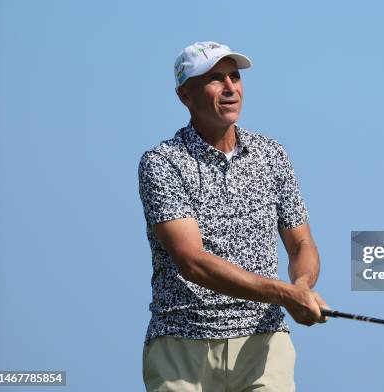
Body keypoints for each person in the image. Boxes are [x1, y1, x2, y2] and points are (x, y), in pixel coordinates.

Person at [138, 41, 329, 391]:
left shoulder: (272, 155)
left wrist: (301, 286)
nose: (230, 88)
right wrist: (284, 294)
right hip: (182, 347)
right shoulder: (162, 162)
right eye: (215, 79)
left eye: (235, 77)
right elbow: (192, 261)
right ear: (186, 96)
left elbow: (301, 241)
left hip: (263, 344)